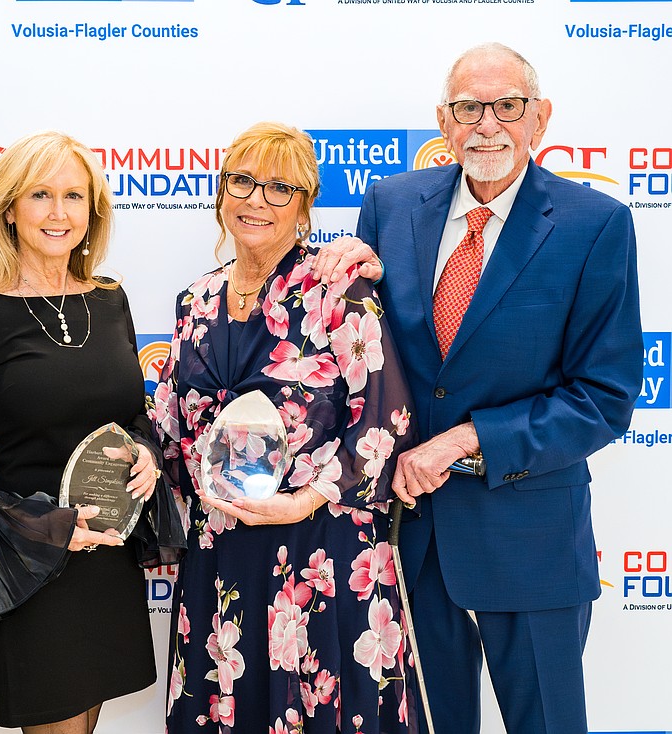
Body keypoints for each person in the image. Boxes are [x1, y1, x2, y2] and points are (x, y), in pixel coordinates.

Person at [313, 43, 643, 733]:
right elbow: (373, 360)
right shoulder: (391, 205)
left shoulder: (594, 226)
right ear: (444, 119)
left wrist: (466, 442)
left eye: (507, 106)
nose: (487, 124)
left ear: (539, 117)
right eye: (468, 108)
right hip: (410, 541)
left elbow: (604, 397)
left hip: (531, 539)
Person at [0, 130, 183, 734]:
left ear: (93, 210)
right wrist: (25, 524)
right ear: (9, 208)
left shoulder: (110, 299)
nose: (59, 213)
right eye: (40, 195)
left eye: (73, 196)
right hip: (32, 561)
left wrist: (144, 451)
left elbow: (129, 412)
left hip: (107, 559)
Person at [152, 121, 420, 733]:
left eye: (280, 186)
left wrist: (304, 501)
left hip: (318, 551)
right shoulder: (195, 300)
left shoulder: (336, 290)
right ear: (221, 193)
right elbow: (170, 422)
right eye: (243, 181)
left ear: (305, 205)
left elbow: (386, 416)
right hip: (220, 550)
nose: (256, 199)